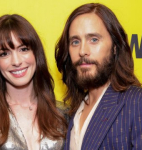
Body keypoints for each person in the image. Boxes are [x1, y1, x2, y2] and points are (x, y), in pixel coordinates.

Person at [55, 3, 142, 150]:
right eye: (75, 42)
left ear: (115, 47)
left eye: (93, 39)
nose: (82, 51)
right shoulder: (73, 112)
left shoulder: (136, 102)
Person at [0, 14, 67, 150]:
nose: (16, 61)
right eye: (4, 53)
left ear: (36, 54)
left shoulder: (63, 114)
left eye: (23, 49)